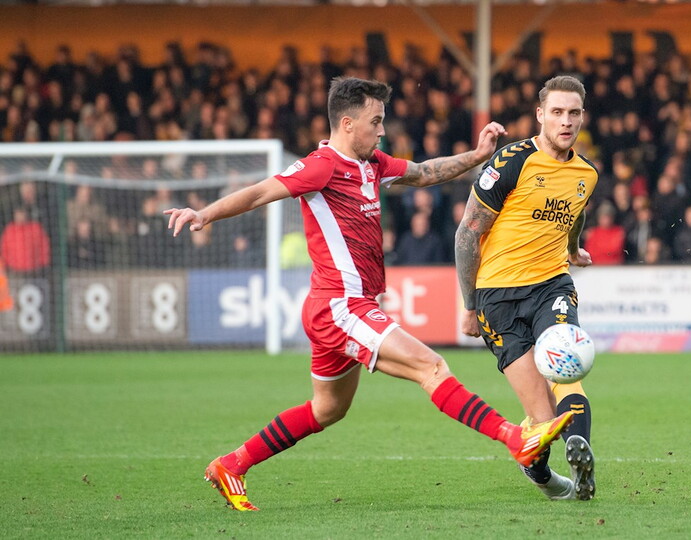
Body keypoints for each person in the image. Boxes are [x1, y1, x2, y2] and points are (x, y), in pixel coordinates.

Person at [164, 77, 573, 512]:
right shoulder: (321, 166)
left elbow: (422, 173)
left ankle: (231, 465)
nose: (381, 131)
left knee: (327, 409)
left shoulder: (372, 163)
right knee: (431, 366)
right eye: (375, 122)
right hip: (340, 305)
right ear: (347, 123)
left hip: (339, 307)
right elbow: (262, 191)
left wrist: (476, 156)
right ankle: (515, 438)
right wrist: (204, 214)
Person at [455, 75, 598, 502]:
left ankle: (581, 446)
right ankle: (541, 472)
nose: (566, 121)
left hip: (552, 285)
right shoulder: (512, 161)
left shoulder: (586, 173)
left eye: (573, 113)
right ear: (540, 115)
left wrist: (572, 249)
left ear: (582, 117)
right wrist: (469, 306)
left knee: (566, 361)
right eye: (557, 112)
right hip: (497, 297)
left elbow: (576, 212)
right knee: (541, 417)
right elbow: (467, 233)